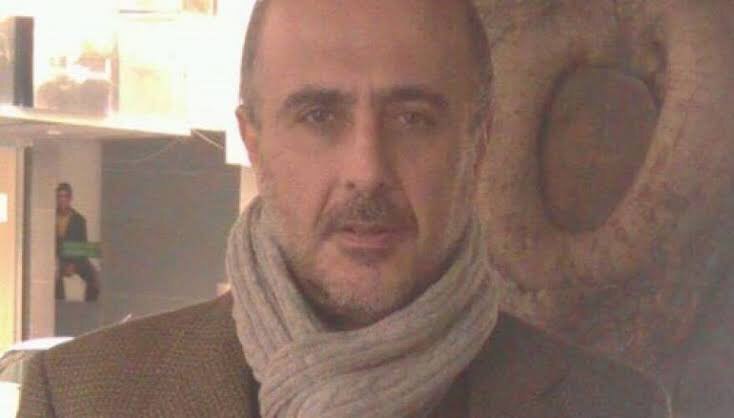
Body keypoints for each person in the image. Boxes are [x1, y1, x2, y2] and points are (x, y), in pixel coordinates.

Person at [19, 0, 667, 416]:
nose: (367, 170)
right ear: (254, 142)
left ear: (479, 143)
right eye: (319, 115)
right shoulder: (82, 399)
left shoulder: (613, 407)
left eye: (413, 118)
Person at [54, 182, 99, 302]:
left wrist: (73, 265)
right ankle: (60, 305)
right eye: (59, 196)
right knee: (54, 272)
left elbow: (82, 248)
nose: (62, 200)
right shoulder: (50, 217)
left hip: (75, 259)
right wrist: (59, 263)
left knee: (94, 276)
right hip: (57, 260)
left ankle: (89, 306)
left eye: (65, 196)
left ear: (70, 199)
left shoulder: (79, 220)